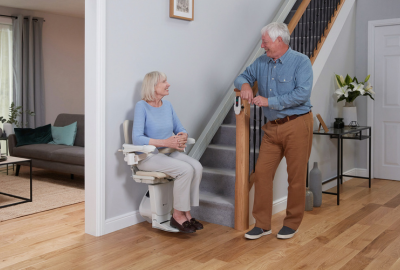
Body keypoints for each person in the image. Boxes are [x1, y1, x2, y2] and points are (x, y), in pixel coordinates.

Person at [234, 22, 313, 240]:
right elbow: (241, 77)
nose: (262, 46)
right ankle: (262, 224)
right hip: (271, 129)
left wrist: (270, 101)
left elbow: (302, 94)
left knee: (295, 177)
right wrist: (246, 86)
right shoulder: (261, 62)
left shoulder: (301, 62)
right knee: (261, 174)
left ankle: (292, 223)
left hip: (297, 124)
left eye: (265, 42)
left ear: (279, 40)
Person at [133, 71, 203, 234]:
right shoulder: (141, 106)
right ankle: (177, 215)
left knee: (197, 167)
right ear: (153, 86)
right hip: (149, 157)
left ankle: (186, 212)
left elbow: (180, 128)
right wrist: (165, 142)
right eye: (164, 81)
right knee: (185, 170)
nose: (168, 84)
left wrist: (183, 135)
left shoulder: (168, 106)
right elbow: (137, 138)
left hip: (169, 153)